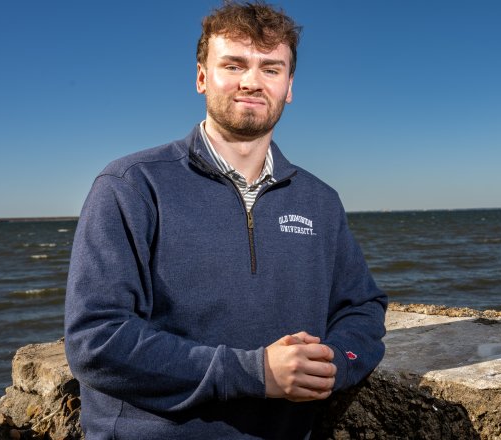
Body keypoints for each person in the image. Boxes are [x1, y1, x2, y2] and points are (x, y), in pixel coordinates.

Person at [63, 2, 387, 438]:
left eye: (271, 69)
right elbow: (97, 340)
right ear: (201, 78)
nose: (252, 81)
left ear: (289, 86)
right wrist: (255, 373)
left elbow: (361, 307)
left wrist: (334, 364)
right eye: (233, 65)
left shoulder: (320, 201)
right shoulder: (131, 185)